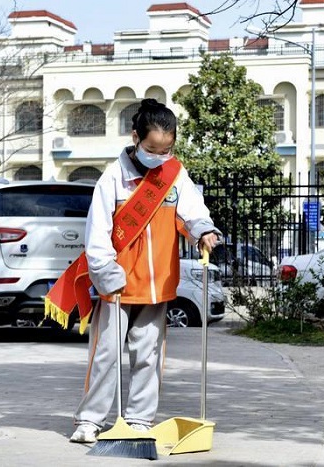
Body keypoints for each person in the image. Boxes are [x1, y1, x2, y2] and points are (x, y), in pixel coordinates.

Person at [70, 98, 221, 443]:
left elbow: (193, 212)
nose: (159, 157)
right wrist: (105, 271)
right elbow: (97, 233)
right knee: (106, 355)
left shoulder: (175, 174)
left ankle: (139, 418)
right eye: (152, 150)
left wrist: (204, 231)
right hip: (118, 284)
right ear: (135, 137)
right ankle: (90, 420)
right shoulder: (113, 178)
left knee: (148, 355)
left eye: (166, 151)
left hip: (157, 283)